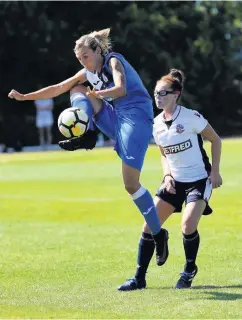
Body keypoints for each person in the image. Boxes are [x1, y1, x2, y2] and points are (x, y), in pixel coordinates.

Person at [8, 28, 169, 268]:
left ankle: (158, 234)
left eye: (86, 57)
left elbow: (121, 88)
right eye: (79, 59)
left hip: (136, 118)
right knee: (76, 89)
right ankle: (88, 133)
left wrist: (99, 93)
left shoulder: (114, 61)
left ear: (98, 50)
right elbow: (58, 88)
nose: (84, 62)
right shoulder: (88, 71)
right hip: (117, 117)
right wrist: (24, 97)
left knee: (130, 184)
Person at [118, 69, 223, 291]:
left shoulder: (191, 117)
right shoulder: (155, 124)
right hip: (174, 181)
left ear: (176, 94)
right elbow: (164, 153)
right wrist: (167, 175)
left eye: (163, 93)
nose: (158, 97)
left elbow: (215, 140)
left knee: (187, 225)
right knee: (149, 226)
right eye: (156, 93)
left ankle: (189, 269)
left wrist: (215, 171)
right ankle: (139, 278)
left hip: (198, 180)